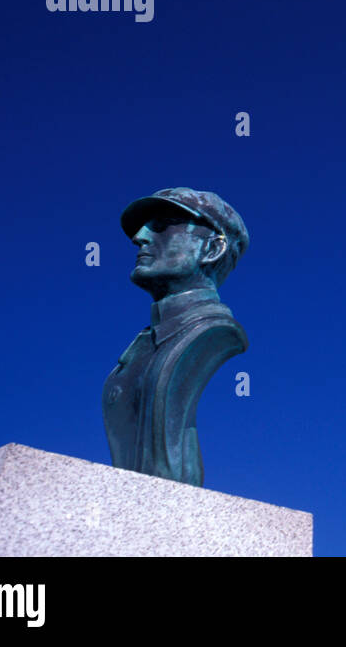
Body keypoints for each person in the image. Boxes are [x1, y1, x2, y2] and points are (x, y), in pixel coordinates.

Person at [102, 187, 249, 486]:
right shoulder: (145, 342)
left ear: (212, 250)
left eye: (162, 226)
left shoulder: (210, 330)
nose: (139, 237)